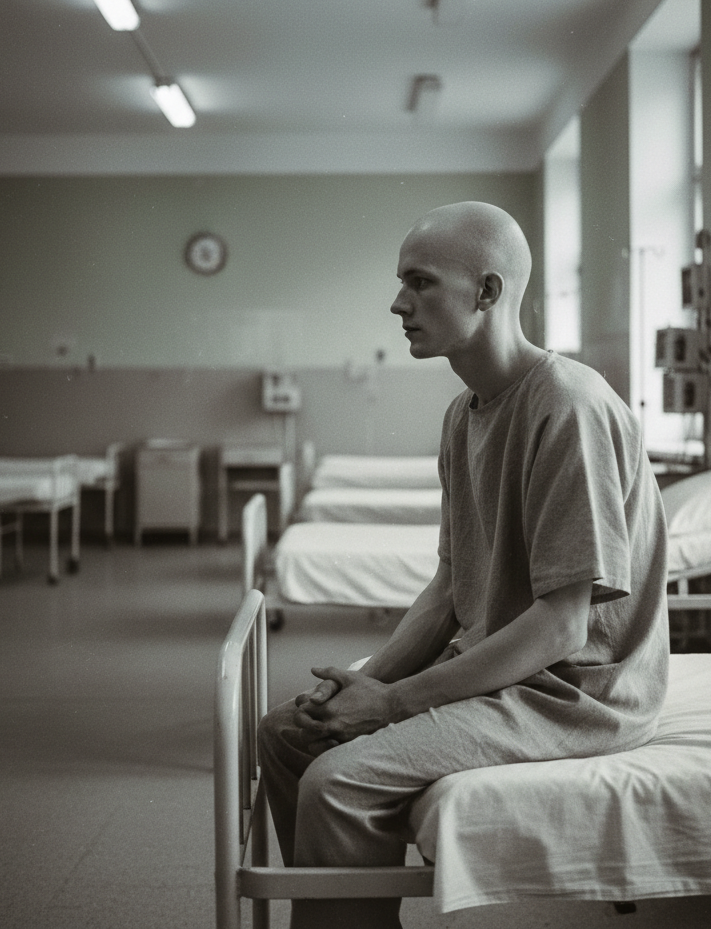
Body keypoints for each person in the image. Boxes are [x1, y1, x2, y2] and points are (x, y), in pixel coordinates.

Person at [258, 201, 669, 929]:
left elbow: (563, 628)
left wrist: (392, 705)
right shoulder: (467, 413)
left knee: (338, 781)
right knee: (287, 735)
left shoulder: (566, 408)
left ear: (487, 292)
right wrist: (371, 679)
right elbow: (452, 584)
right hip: (503, 666)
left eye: (420, 283)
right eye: (400, 284)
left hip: (572, 695)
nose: (398, 303)